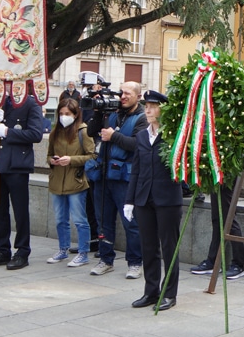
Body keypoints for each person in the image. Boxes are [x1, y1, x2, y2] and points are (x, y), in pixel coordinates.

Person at [124, 91, 182, 311]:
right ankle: (151, 291)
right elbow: (136, 170)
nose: (147, 110)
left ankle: (169, 293)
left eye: (153, 106)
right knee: (148, 247)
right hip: (144, 198)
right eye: (146, 106)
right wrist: (130, 200)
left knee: (169, 248)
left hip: (167, 199)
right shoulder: (142, 136)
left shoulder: (173, 135)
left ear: (163, 109)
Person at [0, 94, 44, 270]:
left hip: (17, 164)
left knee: (20, 211)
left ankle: (22, 251)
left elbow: (36, 134)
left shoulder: (30, 103)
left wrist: (8, 132)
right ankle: (2, 250)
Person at [92, 81, 148, 278]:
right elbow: (91, 132)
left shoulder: (142, 118)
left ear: (138, 97)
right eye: (121, 93)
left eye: (127, 94)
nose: (122, 97)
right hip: (104, 175)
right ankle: (105, 259)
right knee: (103, 221)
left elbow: (138, 144)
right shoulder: (111, 113)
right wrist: (97, 113)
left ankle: (135, 262)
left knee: (130, 223)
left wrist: (114, 136)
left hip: (125, 179)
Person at [46, 99, 95, 267]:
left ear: (75, 114)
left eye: (67, 114)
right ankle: (63, 249)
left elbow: (92, 155)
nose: (63, 117)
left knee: (80, 220)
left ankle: (83, 252)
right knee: (60, 219)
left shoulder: (83, 131)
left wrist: (71, 160)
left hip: (76, 181)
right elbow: (49, 154)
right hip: (57, 181)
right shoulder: (55, 132)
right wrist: (52, 160)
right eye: (61, 114)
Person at [190, 184, 244, 281]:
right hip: (216, 179)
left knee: (229, 219)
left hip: (226, 179)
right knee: (217, 219)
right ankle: (213, 260)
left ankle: (239, 263)